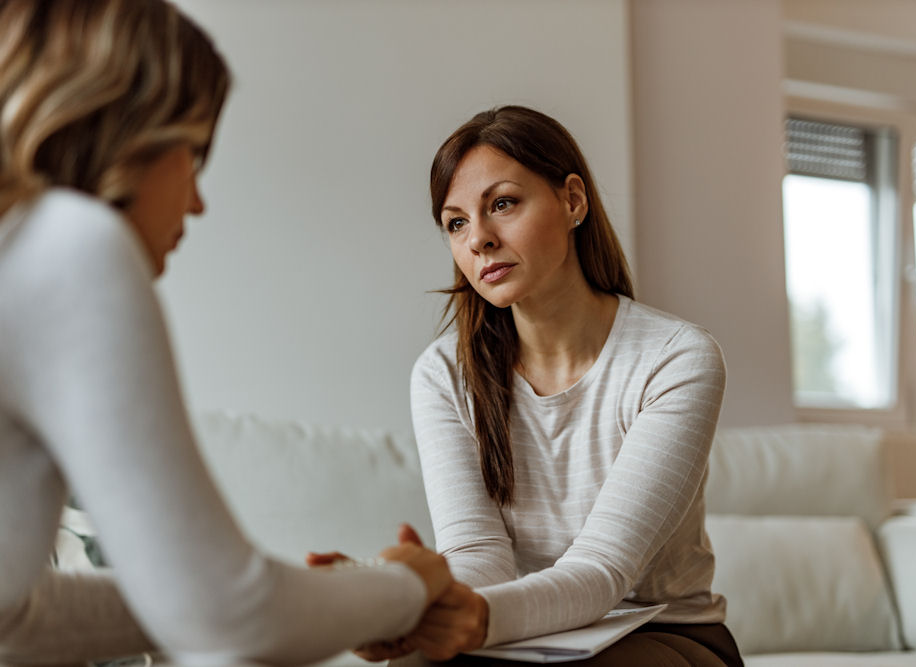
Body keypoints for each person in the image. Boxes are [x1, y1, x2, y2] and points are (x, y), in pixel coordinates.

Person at [0, 1, 451, 664]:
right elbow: (231, 617)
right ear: (133, 129)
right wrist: (413, 582)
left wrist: (317, 600)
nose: (197, 201)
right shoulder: (69, 245)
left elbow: (14, 622)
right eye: (193, 153)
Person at [394, 106, 744, 666]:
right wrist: (427, 609)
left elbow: (603, 570)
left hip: (662, 634)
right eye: (456, 222)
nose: (478, 239)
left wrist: (478, 620)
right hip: (515, 634)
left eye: (502, 204)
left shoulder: (676, 358)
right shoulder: (443, 374)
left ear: (573, 200)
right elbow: (478, 554)